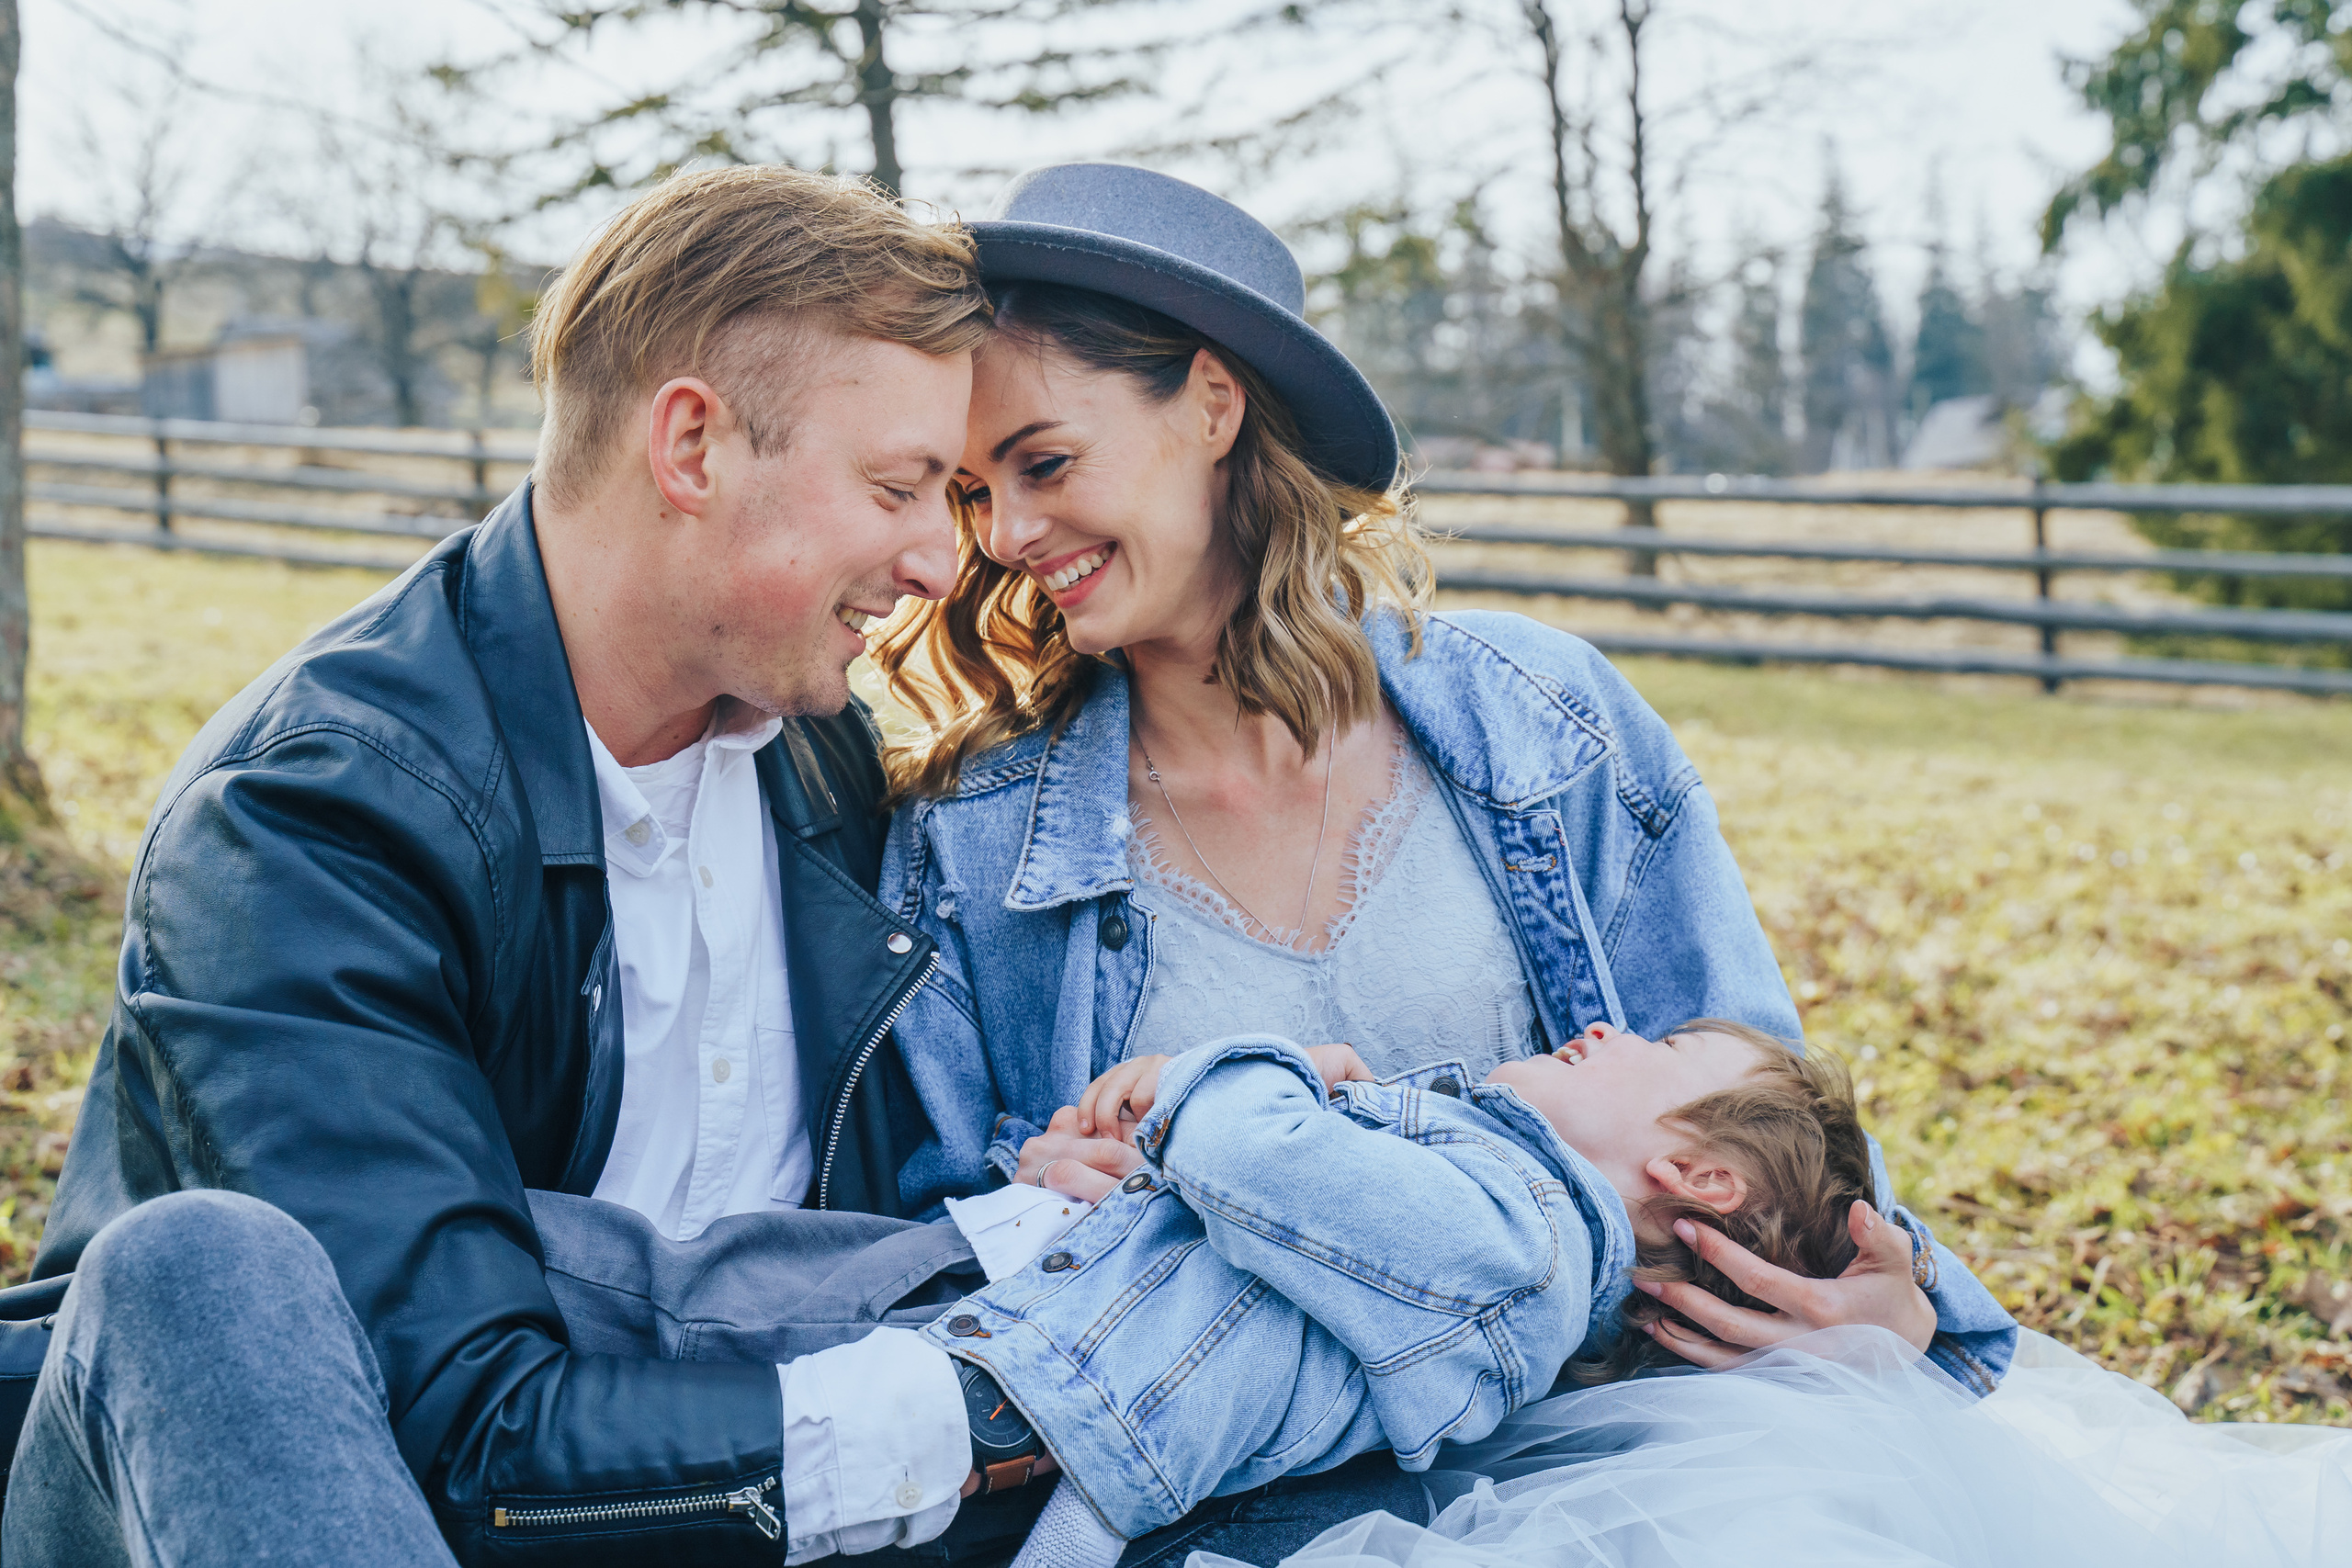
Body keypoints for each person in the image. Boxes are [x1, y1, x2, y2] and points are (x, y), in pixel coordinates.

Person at [0, 165, 1027, 1566]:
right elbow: (464, 1432)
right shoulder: (313, 818)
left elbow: (819, 1250)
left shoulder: (821, 760)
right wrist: (971, 1413)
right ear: (692, 447)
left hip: (719, 1509)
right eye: (901, 486)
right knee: (197, 1273)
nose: (937, 559)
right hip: (311, 1505)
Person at [870, 163, 2018, 1400]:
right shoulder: (970, 841)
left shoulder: (1546, 722)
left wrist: (1887, 1299)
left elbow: (1751, 1107)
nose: (1003, 538)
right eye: (975, 490)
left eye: (1043, 462)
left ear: (1212, 404)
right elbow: (933, 1249)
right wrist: (1030, 1195)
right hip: (1240, 1502)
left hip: (1609, 1446)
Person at [925, 1019, 1873, 1568]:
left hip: (1021, 1397)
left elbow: (1249, 1151)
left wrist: (1237, 1074)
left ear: (1698, 1178)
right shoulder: (1515, 1213)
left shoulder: (1519, 1236)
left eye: (1663, 1042)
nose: (1603, 1025)